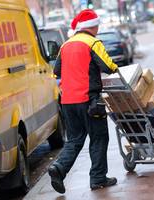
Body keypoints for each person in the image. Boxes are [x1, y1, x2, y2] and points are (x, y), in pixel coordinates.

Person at [49, 9, 118, 194]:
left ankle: (59, 168)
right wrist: (115, 68)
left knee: (75, 139)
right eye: (97, 25)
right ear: (92, 26)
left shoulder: (66, 45)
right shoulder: (93, 42)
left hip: (68, 102)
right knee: (99, 137)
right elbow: (109, 66)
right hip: (89, 100)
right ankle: (98, 179)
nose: (98, 28)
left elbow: (57, 71)